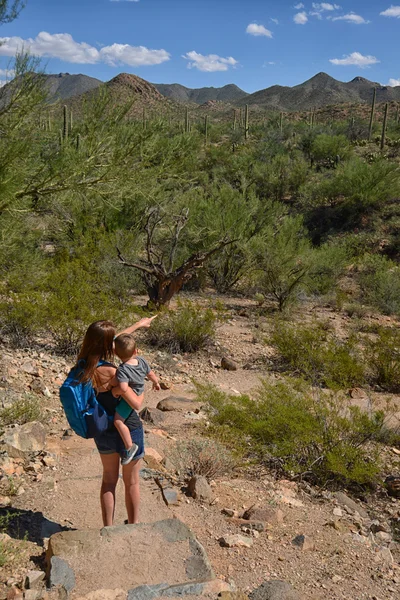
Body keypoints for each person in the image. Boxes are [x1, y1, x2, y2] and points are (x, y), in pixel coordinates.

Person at [76, 316, 156, 526]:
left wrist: (138, 324)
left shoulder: (84, 366)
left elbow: (120, 340)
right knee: (132, 482)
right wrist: (142, 394)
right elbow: (136, 403)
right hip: (128, 426)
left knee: (109, 480)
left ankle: (108, 528)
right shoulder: (117, 372)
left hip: (102, 428)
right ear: (107, 344)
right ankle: (133, 525)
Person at [111, 334, 160, 466]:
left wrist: (114, 391)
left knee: (118, 421)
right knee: (120, 420)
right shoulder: (142, 361)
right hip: (139, 392)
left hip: (129, 399)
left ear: (115, 353)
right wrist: (156, 383)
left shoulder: (123, 369)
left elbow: (123, 387)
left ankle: (129, 446)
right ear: (135, 351)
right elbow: (150, 374)